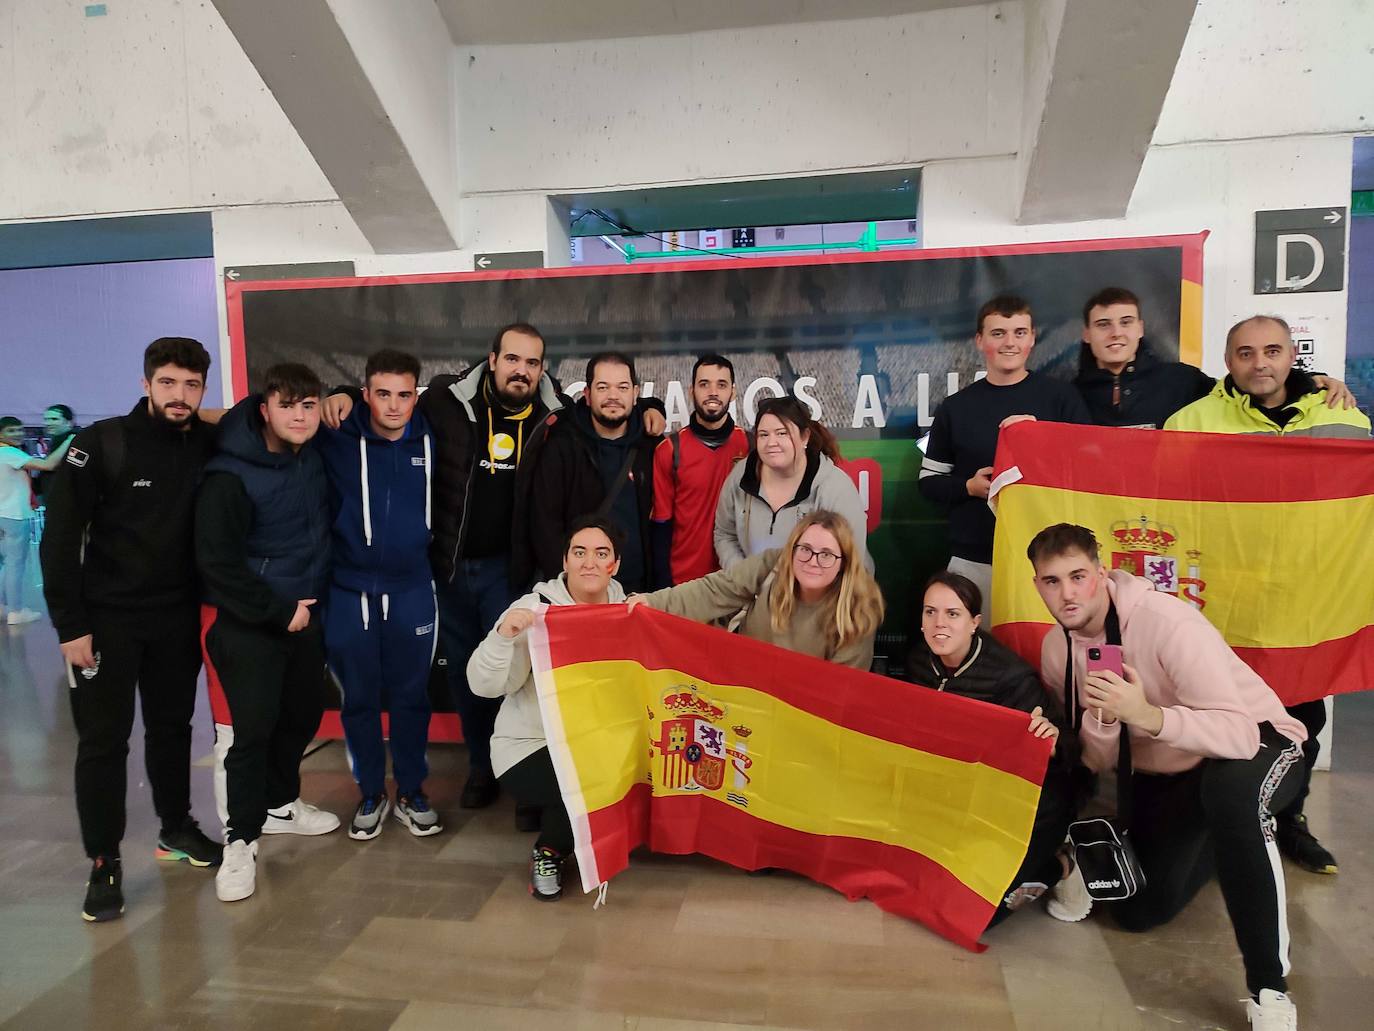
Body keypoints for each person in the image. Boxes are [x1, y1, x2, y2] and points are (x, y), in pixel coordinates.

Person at [323, 325, 664, 817]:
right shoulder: (445, 402)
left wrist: (649, 411)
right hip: (452, 567)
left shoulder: (556, 417)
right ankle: (482, 768)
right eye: (512, 360)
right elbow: (383, 406)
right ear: (493, 360)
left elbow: (608, 437)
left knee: (524, 675)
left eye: (531, 362)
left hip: (513, 571)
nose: (521, 370)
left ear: (542, 369)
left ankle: (526, 779)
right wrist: (339, 395)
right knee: (468, 677)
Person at [1030, 523, 1307, 1029]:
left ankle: (1269, 987)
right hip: (1176, 775)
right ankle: (1226, 842)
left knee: (1233, 797)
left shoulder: (1166, 621)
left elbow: (1240, 735)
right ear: (1037, 586)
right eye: (1051, 581)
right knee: (1138, 914)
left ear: (1101, 572)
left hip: (1259, 742)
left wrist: (1148, 714)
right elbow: (1097, 756)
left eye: (1077, 576)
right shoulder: (1056, 650)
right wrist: (1104, 719)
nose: (1067, 594)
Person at [1164, 314, 1370, 878]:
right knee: (1220, 713)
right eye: (1246, 353)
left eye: (1272, 351)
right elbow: (1161, 499)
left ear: (1291, 355)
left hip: (1310, 598)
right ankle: (1216, 824)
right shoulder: (1192, 420)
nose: (1261, 364)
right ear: (1228, 362)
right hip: (1225, 600)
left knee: (1302, 719)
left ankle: (1290, 821)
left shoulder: (1341, 414)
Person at [39, 337, 223, 924]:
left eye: (191, 386)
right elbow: (60, 540)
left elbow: (255, 416)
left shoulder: (206, 443)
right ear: (146, 383)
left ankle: (175, 829)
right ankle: (104, 861)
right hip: (105, 621)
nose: (180, 395)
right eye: (168, 383)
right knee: (103, 742)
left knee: (172, 729)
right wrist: (70, 626)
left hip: (175, 617)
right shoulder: (101, 444)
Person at [196, 363, 338, 904]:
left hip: (305, 617)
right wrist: (278, 611)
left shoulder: (310, 457)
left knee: (299, 717)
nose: (300, 416)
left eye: (309, 405)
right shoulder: (228, 475)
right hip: (253, 623)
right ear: (265, 410)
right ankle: (240, 840)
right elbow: (217, 563)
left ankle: (281, 805)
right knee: (250, 734)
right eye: (288, 405)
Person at [466, 517, 629, 901]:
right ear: (565, 561)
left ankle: (581, 835)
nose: (589, 563)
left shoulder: (626, 611)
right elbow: (482, 685)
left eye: (601, 553)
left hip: (591, 745)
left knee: (610, 774)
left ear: (615, 565)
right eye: (580, 552)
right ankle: (549, 852)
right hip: (527, 745)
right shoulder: (534, 610)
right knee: (585, 787)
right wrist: (506, 635)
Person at [315, 349, 441, 840]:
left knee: (412, 697)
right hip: (348, 591)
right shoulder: (335, 437)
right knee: (359, 699)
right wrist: (336, 397)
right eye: (382, 394)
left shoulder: (433, 434)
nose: (393, 406)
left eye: (404, 395)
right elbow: (263, 413)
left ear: (416, 396)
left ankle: (411, 791)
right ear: (364, 394)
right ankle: (371, 791)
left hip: (412, 588)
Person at [904, 572, 1073, 928]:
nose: (939, 624)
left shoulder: (1011, 677)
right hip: (953, 793)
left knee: (978, 912)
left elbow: (1065, 753)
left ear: (974, 623)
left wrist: (1051, 739)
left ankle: (1063, 864)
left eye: (952, 614)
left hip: (1026, 803)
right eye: (930, 612)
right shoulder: (919, 660)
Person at [918, 295, 1091, 616]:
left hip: (1051, 559)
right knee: (977, 658)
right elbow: (928, 482)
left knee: (1049, 659)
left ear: (1032, 338)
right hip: (975, 559)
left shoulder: (1062, 399)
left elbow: (1090, 467)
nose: (1009, 342)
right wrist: (969, 487)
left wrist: (1040, 435)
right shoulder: (955, 408)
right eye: (998, 333)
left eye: (1019, 332)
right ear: (980, 341)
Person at [631, 509, 884, 671]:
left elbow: (844, 691)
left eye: (826, 554)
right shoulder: (771, 564)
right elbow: (714, 590)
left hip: (807, 714)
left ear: (844, 563)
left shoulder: (858, 608)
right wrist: (652, 602)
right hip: (748, 690)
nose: (813, 561)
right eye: (805, 549)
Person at [1074, 287, 1356, 428]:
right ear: (1086, 334)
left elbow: (1244, 388)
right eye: (1103, 324)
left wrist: (1310, 381)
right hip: (1098, 508)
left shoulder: (1182, 379)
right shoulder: (1068, 394)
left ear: (1140, 328)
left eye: (1125, 322)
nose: (1116, 333)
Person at [517, 351, 661, 593]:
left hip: (640, 593)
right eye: (603, 387)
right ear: (587, 394)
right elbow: (545, 526)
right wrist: (569, 589)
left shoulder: (651, 446)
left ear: (636, 395)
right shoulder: (561, 447)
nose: (613, 396)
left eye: (622, 387)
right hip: (581, 594)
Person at [714, 396, 868, 572]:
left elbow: (851, 562)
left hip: (817, 596)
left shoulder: (835, 488)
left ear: (805, 437)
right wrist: (744, 577)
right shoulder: (740, 476)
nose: (771, 443)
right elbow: (725, 534)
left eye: (782, 433)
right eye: (764, 435)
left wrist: (790, 591)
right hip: (753, 595)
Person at [650, 354, 749, 586]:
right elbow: (661, 525)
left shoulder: (751, 446)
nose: (713, 392)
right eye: (704, 384)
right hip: (685, 583)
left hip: (736, 580)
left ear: (733, 393)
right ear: (690, 391)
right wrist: (664, 586)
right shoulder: (668, 450)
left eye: (721, 385)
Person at [1, 416, 69, 624]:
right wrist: (69, 441)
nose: (18, 434)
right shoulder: (9, 453)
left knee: (5, 564)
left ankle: (4, 606)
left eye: (19, 430)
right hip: (13, 514)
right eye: (11, 431)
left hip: (2, 515)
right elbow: (48, 464)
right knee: (15, 564)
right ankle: (15, 611)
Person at [35, 404, 78, 501]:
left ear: (69, 422)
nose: (48, 423)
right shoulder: (58, 440)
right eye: (46, 419)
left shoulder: (77, 441)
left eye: (54, 419)